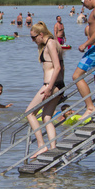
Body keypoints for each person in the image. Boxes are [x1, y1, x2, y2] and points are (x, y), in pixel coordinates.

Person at [27, 21, 65, 157]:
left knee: (29, 113)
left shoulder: (50, 44)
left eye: (33, 37)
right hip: (57, 84)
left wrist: (49, 88)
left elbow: (58, 67)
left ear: (41, 34)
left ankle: (41, 145)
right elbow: (62, 67)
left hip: (50, 84)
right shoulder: (54, 43)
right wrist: (61, 89)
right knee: (46, 116)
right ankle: (53, 147)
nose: (33, 41)